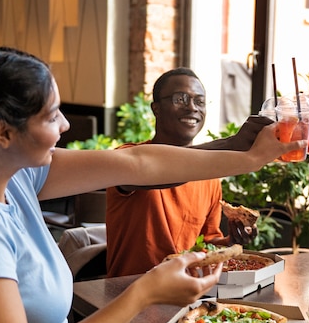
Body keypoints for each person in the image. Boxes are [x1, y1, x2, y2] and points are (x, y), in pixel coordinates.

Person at [0, 47, 304, 323]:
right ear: (3, 134)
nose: (66, 125)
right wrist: (144, 292)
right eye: (52, 117)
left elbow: (139, 162)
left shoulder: (17, 176)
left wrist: (248, 156)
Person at [105, 67, 258, 278]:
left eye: (200, 101)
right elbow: (158, 169)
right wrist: (232, 146)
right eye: (181, 99)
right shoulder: (129, 157)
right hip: (127, 290)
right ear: (156, 109)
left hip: (185, 291)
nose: (192, 108)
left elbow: (208, 242)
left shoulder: (209, 176)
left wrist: (232, 241)